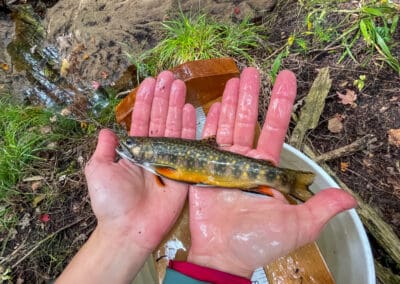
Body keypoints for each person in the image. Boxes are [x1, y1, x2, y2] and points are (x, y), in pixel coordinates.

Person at [57, 68, 357, 283]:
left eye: (132, 145)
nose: (126, 147)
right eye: (132, 145)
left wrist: (119, 237)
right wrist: (120, 233)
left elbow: (164, 174)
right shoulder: (156, 167)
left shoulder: (160, 168)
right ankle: (280, 179)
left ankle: (283, 179)